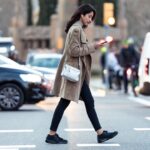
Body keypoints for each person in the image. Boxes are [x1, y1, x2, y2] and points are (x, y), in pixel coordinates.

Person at [45, 4, 118, 144]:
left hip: (78, 74)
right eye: (89, 16)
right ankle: (52, 134)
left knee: (84, 102)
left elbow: (77, 49)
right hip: (74, 74)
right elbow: (74, 51)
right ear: (82, 15)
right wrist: (94, 46)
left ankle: (100, 133)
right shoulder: (76, 29)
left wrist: (94, 45)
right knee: (69, 103)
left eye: (92, 17)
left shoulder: (78, 29)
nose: (90, 20)